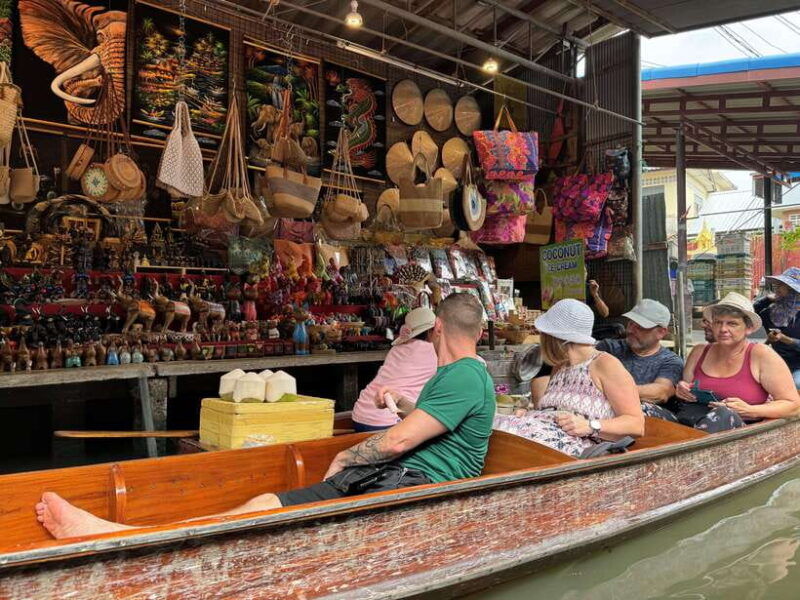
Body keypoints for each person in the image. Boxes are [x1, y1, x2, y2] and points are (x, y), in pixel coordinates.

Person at [35, 293, 496, 540]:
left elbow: (396, 443)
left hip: (410, 481)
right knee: (270, 503)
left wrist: (348, 457)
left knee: (267, 505)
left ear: (437, 327)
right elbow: (432, 421)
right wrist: (406, 406)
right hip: (400, 474)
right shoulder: (459, 375)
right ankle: (135, 535)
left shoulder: (461, 377)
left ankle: (126, 536)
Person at [494, 299, 644, 457]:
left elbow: (636, 424)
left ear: (555, 337)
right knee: (495, 425)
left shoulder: (605, 364)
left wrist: (590, 425)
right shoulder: (560, 366)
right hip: (544, 439)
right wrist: (529, 415)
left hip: (577, 449)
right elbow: (555, 411)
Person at [646, 292, 800, 433]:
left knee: (723, 414)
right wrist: (680, 390)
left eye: (732, 324)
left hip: (733, 431)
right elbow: (684, 395)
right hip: (689, 422)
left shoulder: (762, 355)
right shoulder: (699, 351)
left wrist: (750, 410)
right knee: (642, 409)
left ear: (749, 328)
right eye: (718, 323)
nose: (723, 329)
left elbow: (794, 405)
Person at [351, 307, 438, 432]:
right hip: (389, 419)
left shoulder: (397, 348)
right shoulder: (433, 350)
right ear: (433, 330)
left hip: (361, 414)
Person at [596, 299, 684, 407]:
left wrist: (608, 389)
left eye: (640, 327)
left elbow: (660, 392)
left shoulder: (670, 361)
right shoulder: (608, 348)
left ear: (661, 332)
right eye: (631, 324)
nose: (631, 330)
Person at [754, 267, 800, 387]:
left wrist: (784, 339)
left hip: (797, 367)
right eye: (778, 284)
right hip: (776, 363)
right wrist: (766, 300)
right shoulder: (771, 313)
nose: (777, 288)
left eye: (781, 285)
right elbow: (748, 314)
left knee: (797, 384)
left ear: (792, 290)